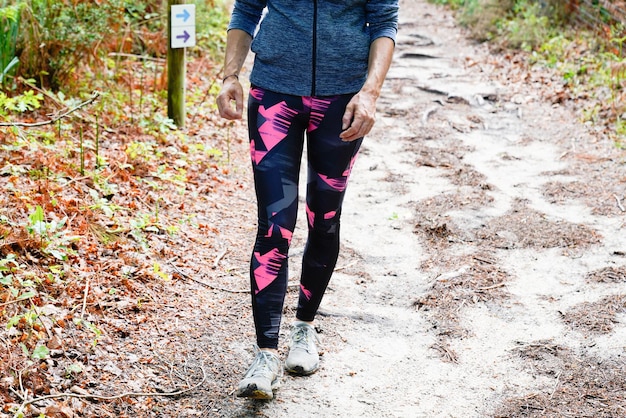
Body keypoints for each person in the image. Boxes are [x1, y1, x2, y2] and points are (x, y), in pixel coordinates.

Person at [216, 0, 399, 400]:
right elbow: (245, 11)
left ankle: (304, 328)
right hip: (274, 97)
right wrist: (230, 74)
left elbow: (384, 22)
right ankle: (264, 354)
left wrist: (370, 92)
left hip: (342, 102)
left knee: (325, 217)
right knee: (274, 224)